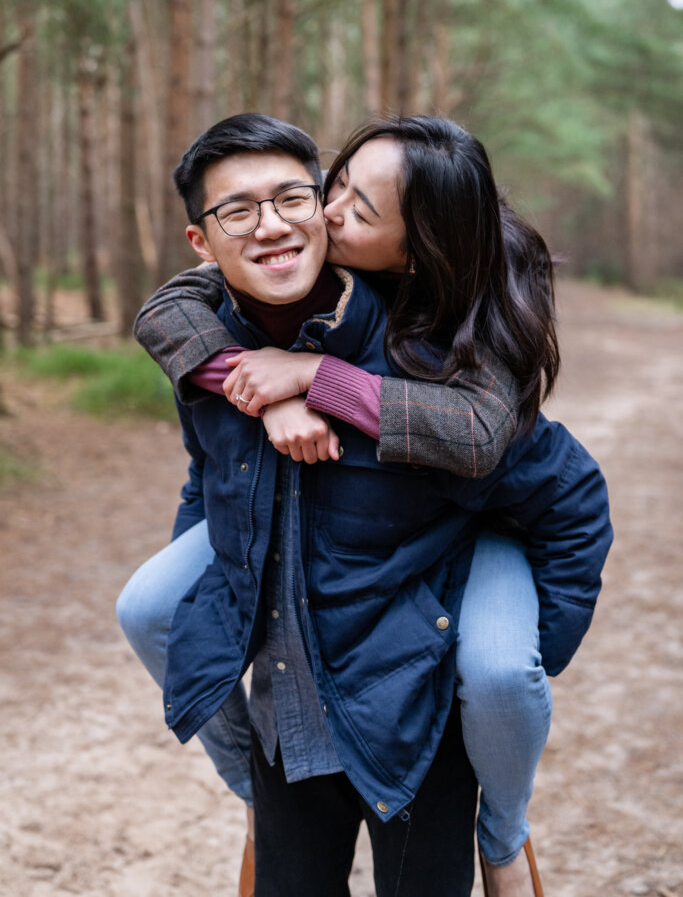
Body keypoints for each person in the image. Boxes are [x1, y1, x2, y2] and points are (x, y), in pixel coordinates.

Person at [119, 113, 612, 897]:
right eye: (335, 184)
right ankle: (257, 795)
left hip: (480, 520)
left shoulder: (455, 324)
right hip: (300, 527)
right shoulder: (236, 297)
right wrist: (251, 379)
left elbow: (486, 439)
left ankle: (504, 835)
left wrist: (314, 377)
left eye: (355, 206)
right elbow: (168, 318)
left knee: (491, 672)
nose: (326, 212)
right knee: (148, 607)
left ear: (411, 249)